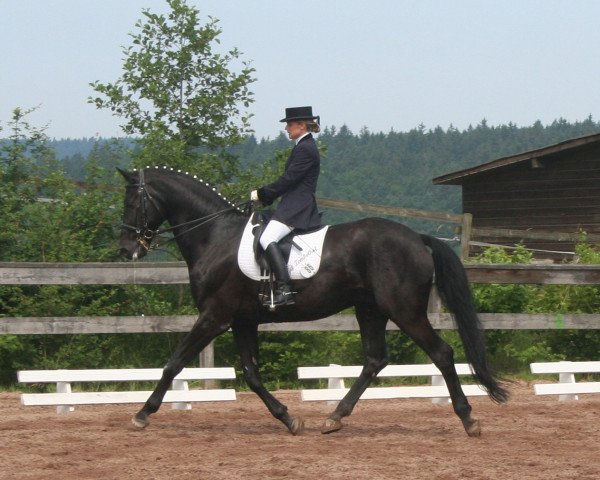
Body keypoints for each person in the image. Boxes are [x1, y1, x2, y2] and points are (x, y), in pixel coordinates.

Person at [251, 106, 322, 307]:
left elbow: (289, 180)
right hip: (292, 203)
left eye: (289, 125)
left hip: (297, 206)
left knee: (267, 238)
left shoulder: (306, 149)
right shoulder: (303, 146)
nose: (286, 129)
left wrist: (262, 193)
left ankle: (285, 289)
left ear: (301, 125)